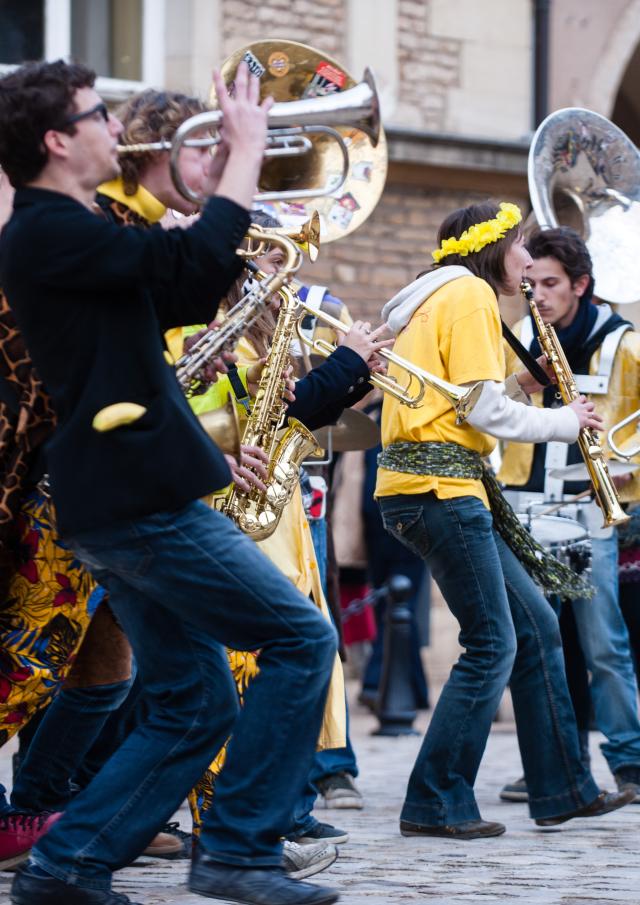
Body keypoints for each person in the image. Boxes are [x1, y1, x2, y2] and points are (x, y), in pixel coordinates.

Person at [0, 58, 339, 905]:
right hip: (134, 494)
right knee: (303, 642)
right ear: (56, 140)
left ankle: (66, 865)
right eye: (97, 116)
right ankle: (238, 850)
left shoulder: (74, 227)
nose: (115, 128)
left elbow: (190, 276)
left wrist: (228, 179)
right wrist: (247, 152)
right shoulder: (47, 228)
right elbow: (189, 254)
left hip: (130, 490)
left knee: (195, 697)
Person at [375, 200, 634, 839]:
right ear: (495, 249)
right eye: (520, 246)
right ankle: (434, 799)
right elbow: (483, 415)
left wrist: (522, 382)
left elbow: (461, 401)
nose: (526, 257)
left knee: (538, 625)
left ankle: (562, 788)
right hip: (442, 488)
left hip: (441, 485)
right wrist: (564, 421)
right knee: (493, 644)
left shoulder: (444, 296)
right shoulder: (467, 295)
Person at [498, 226, 640, 803]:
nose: (540, 296)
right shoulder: (514, 339)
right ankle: (553, 763)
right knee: (537, 643)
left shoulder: (625, 344)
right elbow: (484, 408)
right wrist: (516, 380)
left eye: (551, 284)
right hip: (524, 505)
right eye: (529, 284)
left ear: (581, 285)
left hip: (589, 509)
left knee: (603, 643)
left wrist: (630, 468)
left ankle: (630, 763)